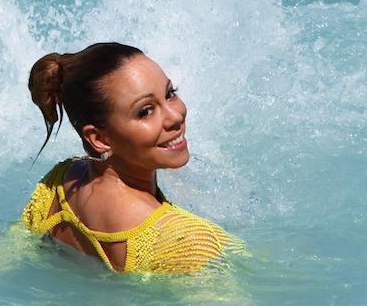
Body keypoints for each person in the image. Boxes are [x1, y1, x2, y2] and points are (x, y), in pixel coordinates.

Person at [21, 42, 239, 274]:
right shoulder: (188, 242)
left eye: (170, 94)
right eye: (145, 111)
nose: (175, 116)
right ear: (99, 139)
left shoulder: (59, 184)